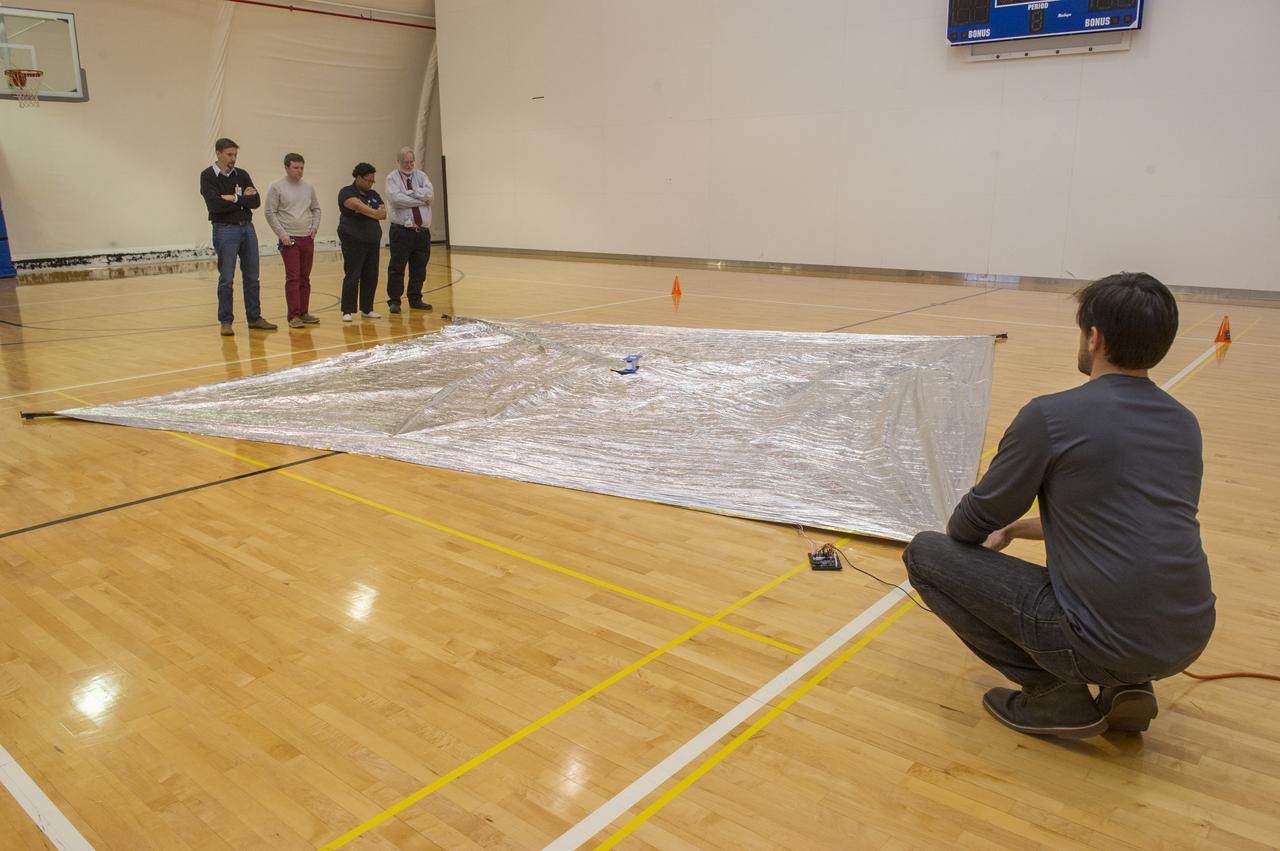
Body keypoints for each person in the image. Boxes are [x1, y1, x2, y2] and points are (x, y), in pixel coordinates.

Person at [902, 272, 1215, 739]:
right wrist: (1018, 530)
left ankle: (1054, 695)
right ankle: (1128, 685)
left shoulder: (1051, 417)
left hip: (1101, 640)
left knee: (926, 554)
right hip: (1187, 635)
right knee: (1110, 583)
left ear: (1094, 337)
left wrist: (986, 528)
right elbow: (1117, 521)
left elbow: (972, 523)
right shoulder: (1183, 424)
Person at [199, 138, 277, 336]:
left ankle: (254, 317)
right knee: (226, 278)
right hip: (225, 229)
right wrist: (243, 202)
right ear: (218, 153)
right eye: (229, 155)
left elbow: (256, 201)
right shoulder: (208, 176)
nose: (233, 159)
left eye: (235, 155)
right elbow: (215, 205)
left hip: (247, 228)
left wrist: (234, 198)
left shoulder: (241, 175)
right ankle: (226, 321)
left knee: (252, 276)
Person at [264, 153, 322, 329]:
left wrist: (314, 227)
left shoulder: (308, 187)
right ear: (286, 167)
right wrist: (282, 234)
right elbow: (269, 212)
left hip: (307, 238)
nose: (299, 171)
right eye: (296, 168)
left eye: (302, 168)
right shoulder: (276, 187)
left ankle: (304, 312)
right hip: (289, 239)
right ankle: (293, 315)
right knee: (293, 278)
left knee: (305, 277)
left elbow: (316, 209)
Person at [383, 146, 434, 314]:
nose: (409, 165)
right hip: (401, 231)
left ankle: (415, 298)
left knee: (419, 267)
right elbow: (396, 199)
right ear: (398, 162)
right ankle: (395, 300)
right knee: (397, 267)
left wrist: (412, 193)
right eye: (405, 162)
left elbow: (430, 194)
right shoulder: (392, 178)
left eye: (411, 161)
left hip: (422, 232)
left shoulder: (421, 176)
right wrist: (419, 200)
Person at [337, 163, 386, 322]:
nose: (370, 184)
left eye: (372, 181)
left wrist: (365, 210)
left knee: (371, 274)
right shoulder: (346, 191)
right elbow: (354, 204)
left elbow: (383, 213)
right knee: (353, 273)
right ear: (358, 177)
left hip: (372, 239)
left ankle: (367, 308)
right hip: (353, 239)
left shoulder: (374, 194)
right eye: (367, 180)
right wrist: (371, 211)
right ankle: (347, 310)